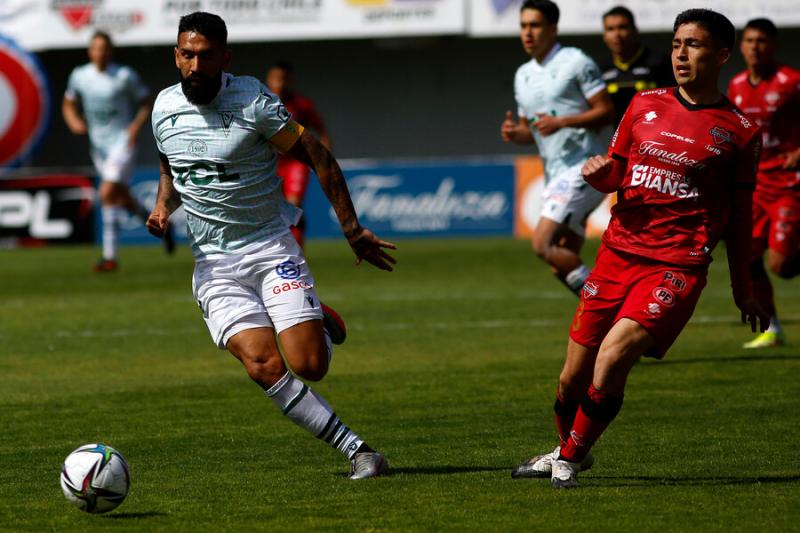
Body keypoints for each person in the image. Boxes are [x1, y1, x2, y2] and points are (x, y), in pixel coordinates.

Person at [511, 8, 769, 489]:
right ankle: (569, 450)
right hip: (617, 256)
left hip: (676, 266)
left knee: (611, 359)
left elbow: (737, 220)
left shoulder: (739, 131)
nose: (681, 54)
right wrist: (599, 175)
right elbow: (618, 172)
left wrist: (744, 287)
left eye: (693, 44)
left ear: (721, 55)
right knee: (570, 379)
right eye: (675, 44)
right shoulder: (643, 104)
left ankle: (569, 457)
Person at [146, 12, 396, 479]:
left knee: (310, 365)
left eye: (204, 56)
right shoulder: (163, 109)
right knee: (263, 365)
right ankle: (359, 451)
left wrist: (351, 229)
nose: (195, 65)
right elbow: (171, 168)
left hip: (269, 248)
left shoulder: (254, 101)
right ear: (176, 56)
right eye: (187, 55)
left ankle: (317, 318)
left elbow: (317, 153)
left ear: (225, 57)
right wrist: (164, 207)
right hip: (214, 266)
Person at [501, 0, 615, 296]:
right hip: (555, 173)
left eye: (535, 25)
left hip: (584, 167)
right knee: (561, 261)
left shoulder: (575, 62)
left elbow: (606, 111)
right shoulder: (523, 75)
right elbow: (534, 133)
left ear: (552, 29)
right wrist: (516, 133)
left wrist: (563, 121)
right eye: (523, 26)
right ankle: (602, 318)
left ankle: (609, 306)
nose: (528, 33)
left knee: (543, 244)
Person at [63, 31, 173, 272]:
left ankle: (109, 257)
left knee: (106, 191)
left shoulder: (123, 76)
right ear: (89, 51)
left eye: (104, 48)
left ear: (109, 51)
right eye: (95, 47)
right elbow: (68, 102)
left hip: (122, 142)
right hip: (98, 146)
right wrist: (73, 120)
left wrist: (134, 128)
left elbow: (146, 101)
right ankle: (163, 224)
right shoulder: (80, 76)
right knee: (121, 198)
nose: (99, 52)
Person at [728, 18, 800, 348]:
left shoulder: (791, 81)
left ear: (772, 45)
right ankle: (771, 328)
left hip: (788, 184)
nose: (755, 46)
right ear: (741, 47)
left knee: (782, 266)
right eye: (749, 40)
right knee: (747, 257)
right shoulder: (737, 85)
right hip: (753, 185)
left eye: (761, 41)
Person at [265, 61, 331, 247]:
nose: (279, 83)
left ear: (290, 80)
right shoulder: (262, 104)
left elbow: (321, 130)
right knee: (278, 210)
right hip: (270, 164)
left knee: (293, 205)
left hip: (295, 163)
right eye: (275, 78)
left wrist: (325, 158)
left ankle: (296, 251)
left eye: (283, 79)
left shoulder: (301, 104)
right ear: (269, 80)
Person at [600, 5, 675, 125]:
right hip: (619, 139)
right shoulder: (601, 68)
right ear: (604, 36)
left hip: (654, 134)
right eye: (610, 29)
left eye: (622, 27)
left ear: (635, 30)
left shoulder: (659, 62)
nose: (617, 34)